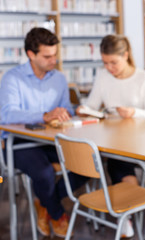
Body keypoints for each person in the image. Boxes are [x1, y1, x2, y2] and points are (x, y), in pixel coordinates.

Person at [0, 27, 87, 237]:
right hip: (18, 143)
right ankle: (58, 215)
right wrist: (45, 115)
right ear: (31, 54)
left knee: (86, 162)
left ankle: (46, 204)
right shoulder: (12, 78)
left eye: (55, 55)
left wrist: (76, 111)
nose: (53, 60)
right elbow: (6, 115)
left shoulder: (59, 78)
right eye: (47, 56)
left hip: (51, 141)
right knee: (45, 174)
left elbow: (65, 108)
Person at [76, 34, 145, 238]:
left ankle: (126, 213)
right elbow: (93, 105)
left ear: (126, 55)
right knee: (107, 157)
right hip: (110, 138)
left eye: (114, 62)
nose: (109, 68)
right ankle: (127, 211)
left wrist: (134, 112)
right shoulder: (104, 76)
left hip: (140, 139)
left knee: (116, 160)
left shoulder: (144, 78)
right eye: (105, 63)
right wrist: (84, 109)